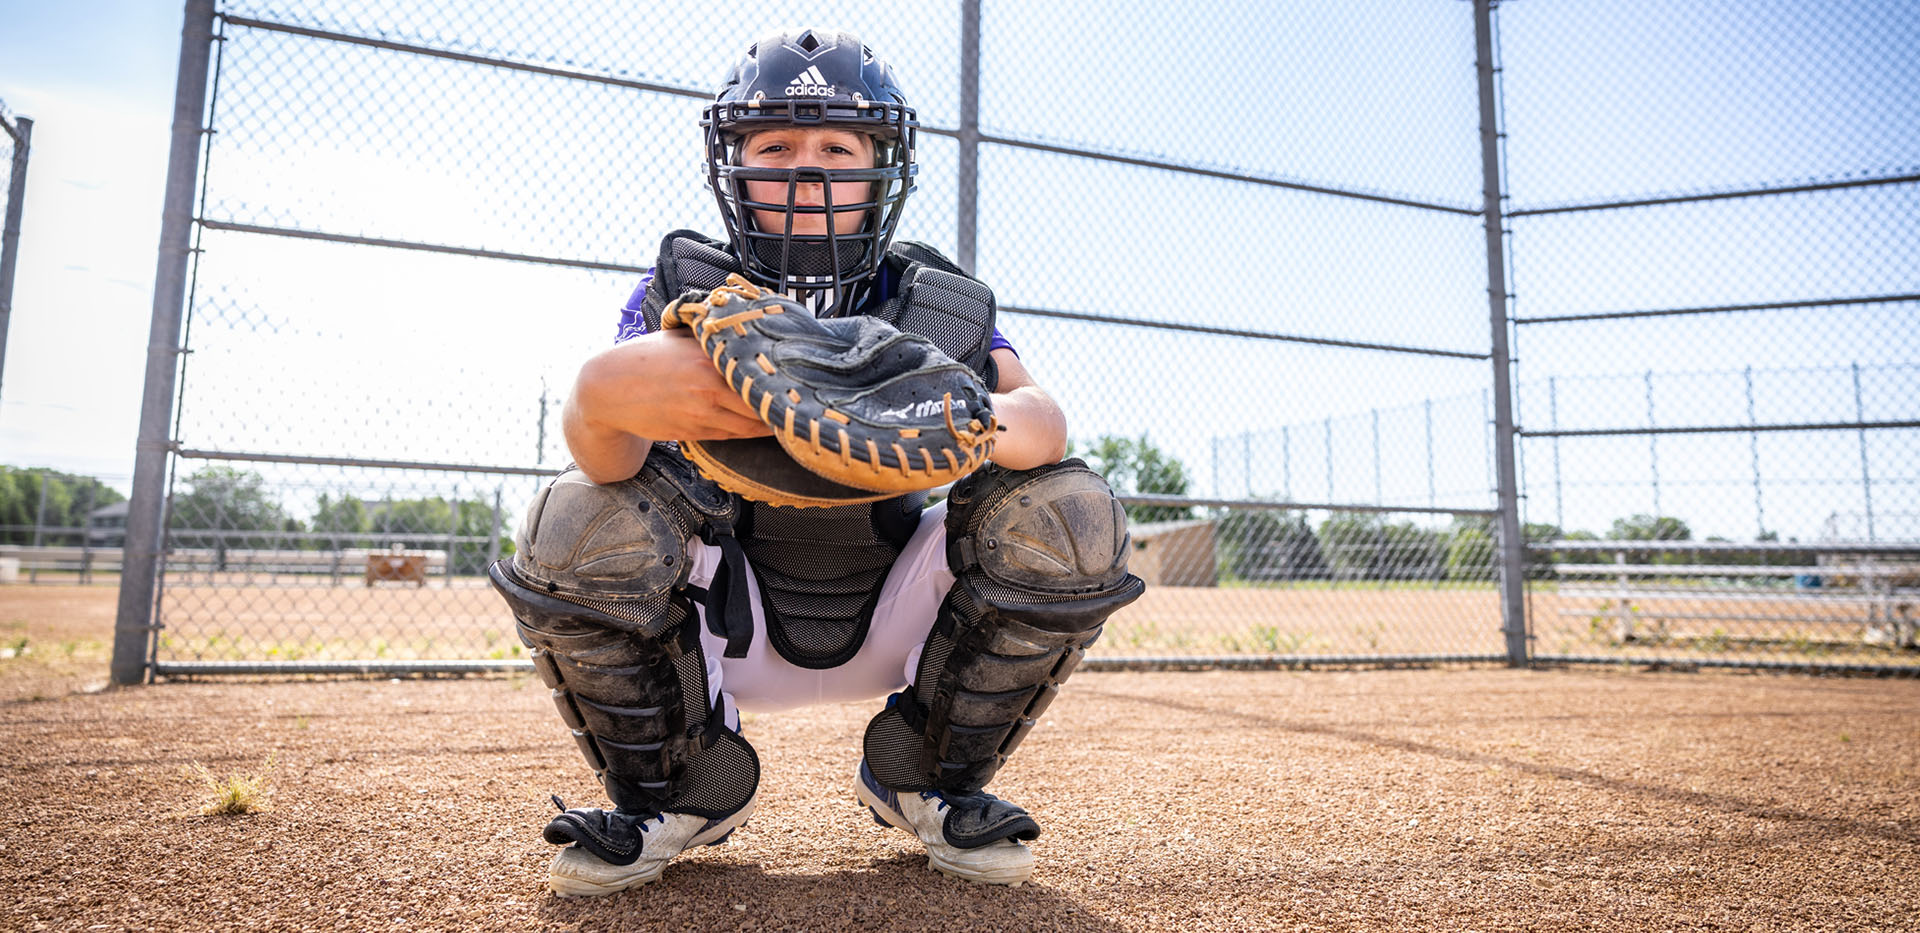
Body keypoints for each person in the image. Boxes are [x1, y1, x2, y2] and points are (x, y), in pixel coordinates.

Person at [488, 27, 1143, 896]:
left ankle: (931, 774)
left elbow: (1044, 421)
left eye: (837, 147)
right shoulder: (684, 291)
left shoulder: (932, 305)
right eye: (775, 147)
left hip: (898, 613)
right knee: (575, 518)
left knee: (1069, 511)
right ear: (734, 165)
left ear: (882, 166)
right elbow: (607, 461)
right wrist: (597, 396)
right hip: (724, 621)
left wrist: (948, 415)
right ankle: (673, 788)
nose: (807, 170)